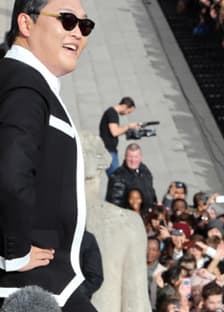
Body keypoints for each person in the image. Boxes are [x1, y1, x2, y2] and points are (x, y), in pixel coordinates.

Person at [0, 0, 95, 311]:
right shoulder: (24, 85)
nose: (78, 33)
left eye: (85, 25)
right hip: (28, 286)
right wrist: (15, 253)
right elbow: (12, 175)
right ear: (26, 25)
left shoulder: (23, 81)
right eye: (67, 20)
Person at [105, 143, 157, 211]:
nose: (133, 160)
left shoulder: (144, 170)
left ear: (141, 157)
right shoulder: (118, 177)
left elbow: (151, 191)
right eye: (130, 157)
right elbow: (114, 205)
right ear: (125, 157)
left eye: (136, 157)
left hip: (148, 214)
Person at [99, 96, 139, 176]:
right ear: (125, 106)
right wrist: (128, 126)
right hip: (109, 151)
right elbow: (115, 132)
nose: (127, 114)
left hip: (110, 150)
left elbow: (115, 131)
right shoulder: (112, 113)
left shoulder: (112, 113)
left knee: (115, 177)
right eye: (128, 111)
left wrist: (128, 131)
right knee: (116, 177)